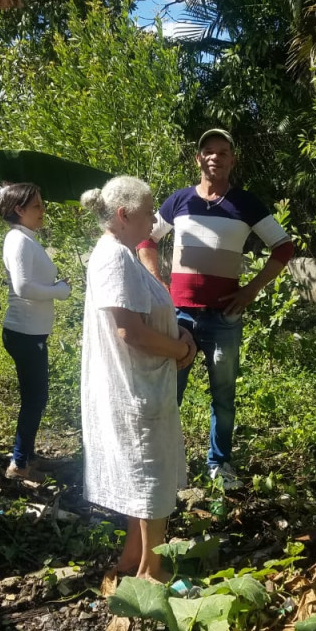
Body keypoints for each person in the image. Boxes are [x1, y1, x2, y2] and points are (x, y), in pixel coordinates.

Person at [137, 128, 295, 489]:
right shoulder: (179, 201)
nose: (215, 157)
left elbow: (284, 247)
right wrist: (157, 283)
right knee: (169, 392)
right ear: (198, 158)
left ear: (232, 160)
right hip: (178, 316)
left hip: (225, 318)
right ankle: (165, 461)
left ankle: (219, 464)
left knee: (223, 397)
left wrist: (252, 289)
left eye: (223, 152)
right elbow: (146, 238)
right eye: (208, 151)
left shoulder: (246, 203)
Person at [80, 176, 196, 581]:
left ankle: (132, 558)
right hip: (135, 388)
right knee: (151, 476)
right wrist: (179, 350)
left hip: (144, 382)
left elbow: (145, 316)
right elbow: (130, 330)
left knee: (142, 473)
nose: (154, 220)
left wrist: (179, 337)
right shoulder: (114, 257)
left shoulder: (123, 254)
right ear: (124, 215)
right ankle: (151, 572)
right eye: (148, 212)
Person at [0, 182, 72, 480]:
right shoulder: (19, 241)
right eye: (36, 206)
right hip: (25, 333)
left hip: (30, 332)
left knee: (35, 398)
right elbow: (23, 287)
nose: (43, 211)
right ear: (19, 209)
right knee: (35, 399)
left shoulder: (25, 238)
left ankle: (27, 455)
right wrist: (59, 291)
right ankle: (19, 464)